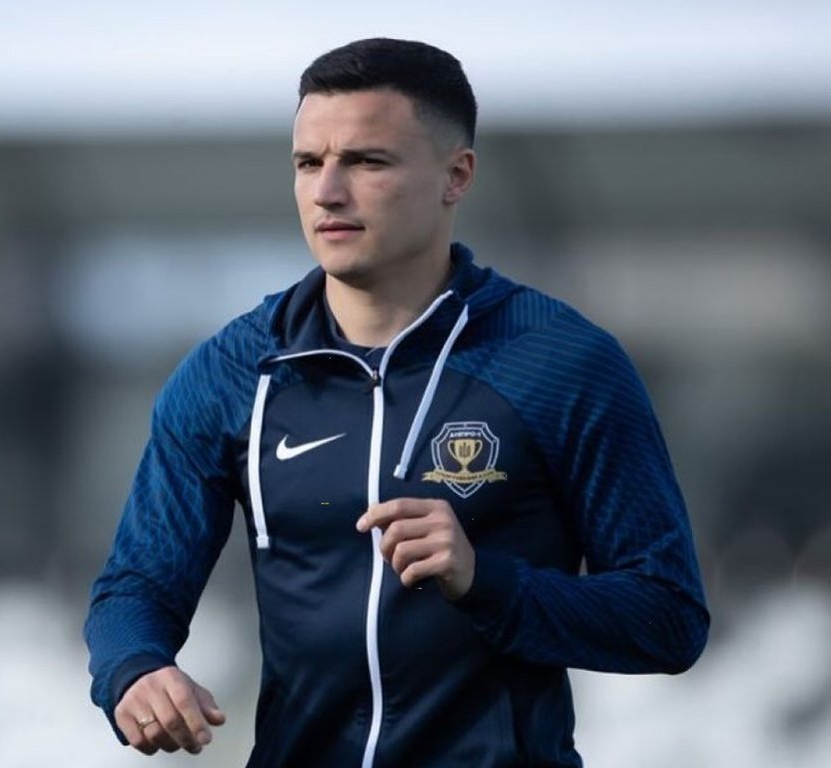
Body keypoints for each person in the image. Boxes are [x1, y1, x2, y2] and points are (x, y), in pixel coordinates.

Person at [84, 37, 709, 767]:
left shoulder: (562, 362)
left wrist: (485, 580)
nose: (327, 192)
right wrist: (135, 669)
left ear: (456, 175)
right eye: (308, 163)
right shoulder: (232, 371)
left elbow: (668, 617)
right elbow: (136, 587)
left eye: (367, 162)